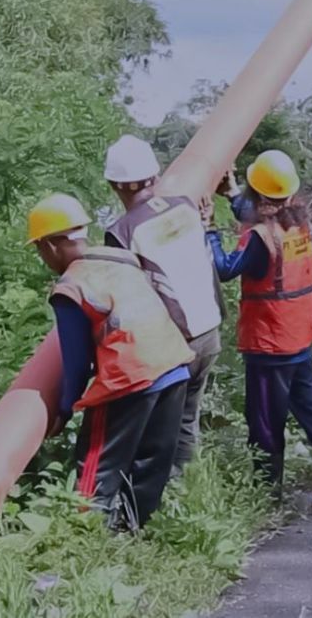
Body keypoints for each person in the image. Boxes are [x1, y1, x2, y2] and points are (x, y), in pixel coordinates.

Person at [203, 149, 312, 512]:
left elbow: (227, 268)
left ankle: (267, 500)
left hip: (268, 344)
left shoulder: (261, 237)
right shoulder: (297, 222)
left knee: (264, 423)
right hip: (296, 340)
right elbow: (257, 212)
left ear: (260, 196)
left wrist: (210, 229)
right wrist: (231, 194)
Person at [28, 192, 194, 531]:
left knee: (96, 465)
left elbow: (76, 363)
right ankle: (135, 531)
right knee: (151, 464)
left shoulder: (71, 286)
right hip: (173, 366)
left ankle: (84, 535)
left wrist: (62, 409)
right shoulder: (120, 259)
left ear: (49, 246)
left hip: (130, 376)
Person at [103, 134, 225, 476]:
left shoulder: (122, 232)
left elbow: (124, 300)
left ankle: (155, 501)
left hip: (174, 344)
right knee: (187, 419)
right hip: (209, 331)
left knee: (156, 430)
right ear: (155, 178)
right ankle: (187, 489)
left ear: (115, 186)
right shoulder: (185, 207)